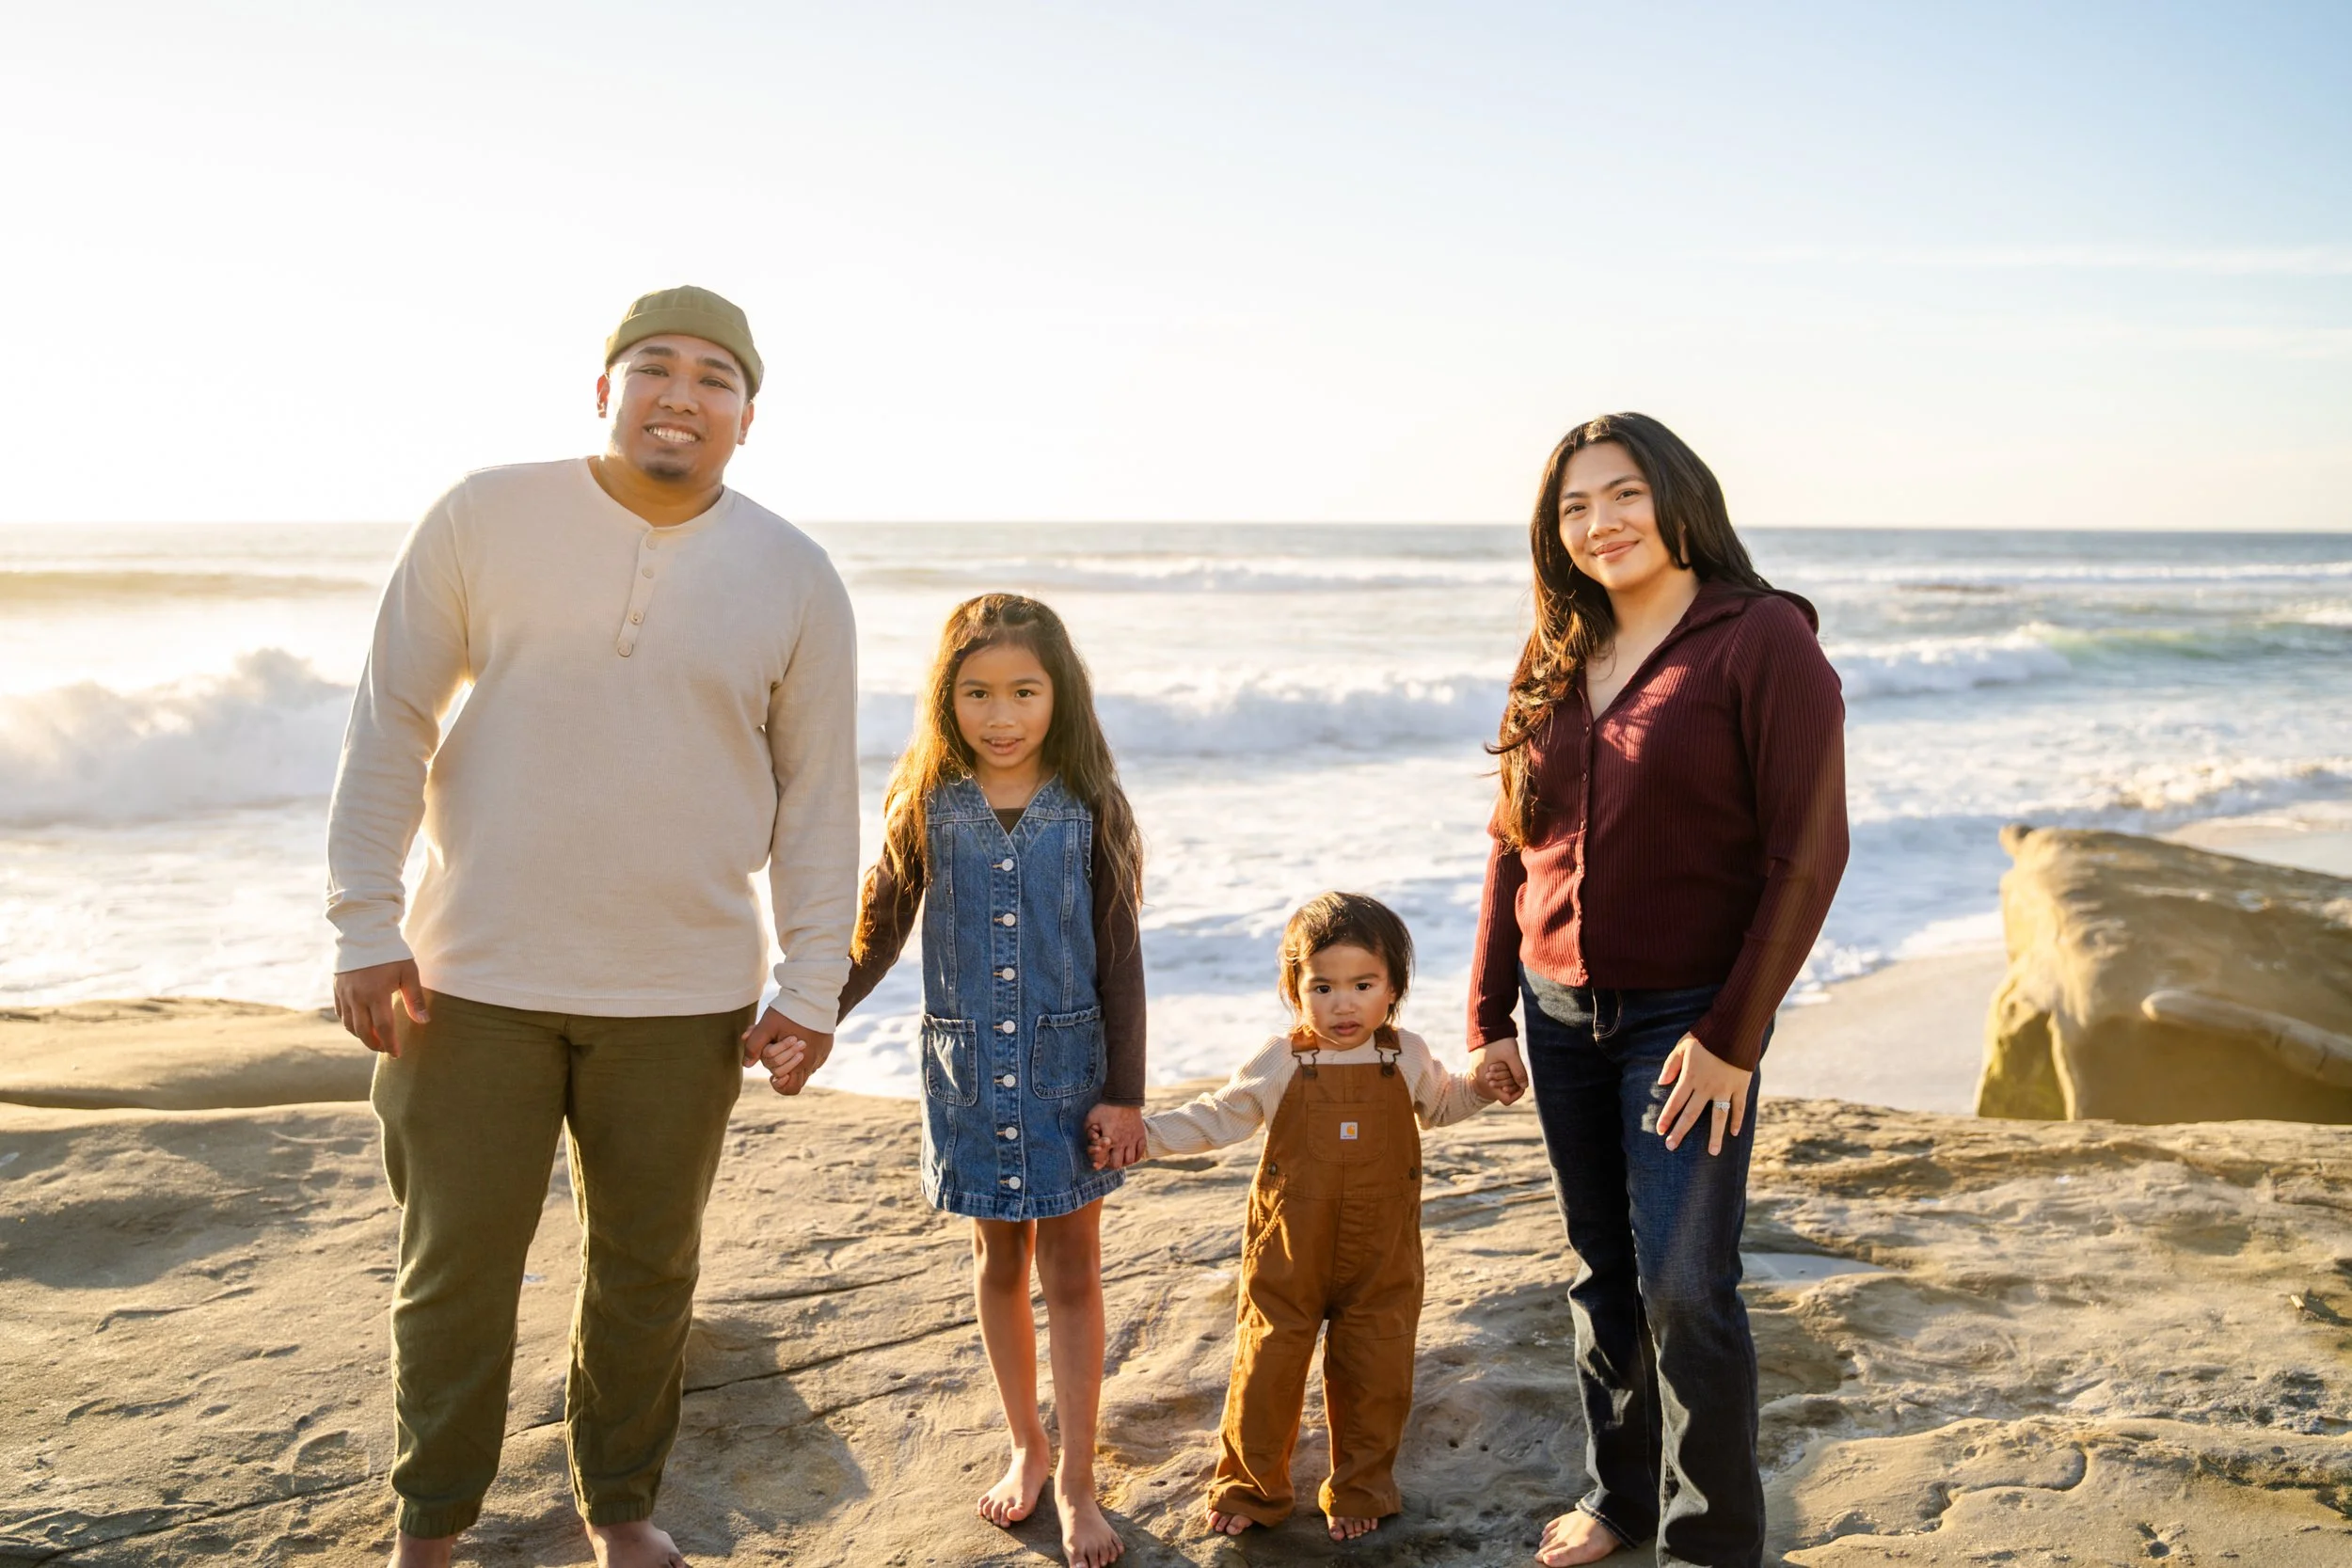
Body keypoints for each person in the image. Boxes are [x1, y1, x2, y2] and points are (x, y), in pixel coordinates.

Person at [326, 286, 859, 1568]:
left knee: (647, 1271)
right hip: (470, 978)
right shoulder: (484, 512)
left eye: (716, 377)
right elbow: (391, 717)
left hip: (683, 995)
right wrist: (362, 920)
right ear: (604, 387)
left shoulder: (796, 573)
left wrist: (812, 984)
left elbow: (818, 794)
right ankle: (428, 1529)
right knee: (453, 1270)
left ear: (747, 416)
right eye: (655, 366)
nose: (682, 393)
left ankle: (619, 1509)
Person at [1467, 413, 1847, 1568]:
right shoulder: (1553, 649)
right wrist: (1488, 1012)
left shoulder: (1761, 637)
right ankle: (1619, 1495)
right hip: (1556, 1010)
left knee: (1685, 1283)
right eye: (1574, 507)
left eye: (1623, 493)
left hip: (1688, 1020)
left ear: (1679, 496)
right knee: (1602, 1271)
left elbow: (1807, 853)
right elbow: (1510, 839)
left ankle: (1709, 1540)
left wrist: (1733, 1035)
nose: (1601, 524)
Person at [825, 593, 1146, 1568]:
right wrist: (808, 1017)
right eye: (977, 693)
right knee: (997, 1260)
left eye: (1022, 691)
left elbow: (1121, 960)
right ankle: (1026, 1444)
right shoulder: (926, 804)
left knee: (1074, 1270)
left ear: (1059, 694)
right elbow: (875, 936)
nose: (1000, 715)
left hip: (1069, 1078)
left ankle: (1080, 1477)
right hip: (968, 1077)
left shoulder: (1090, 805)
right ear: (946, 698)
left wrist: (1126, 1093)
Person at [1120, 893, 1504, 1544]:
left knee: (1376, 1367)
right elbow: (1219, 1116)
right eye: (1322, 987)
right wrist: (1146, 1135)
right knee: (1266, 1362)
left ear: (1393, 988)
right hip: (1289, 1246)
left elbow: (1442, 1105)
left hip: (1381, 1253)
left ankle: (1361, 1486)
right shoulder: (1282, 1058)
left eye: (1363, 985)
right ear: (1295, 990)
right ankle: (1252, 1486)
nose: (1343, 1004)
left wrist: (1483, 1087)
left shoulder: (1406, 1055)